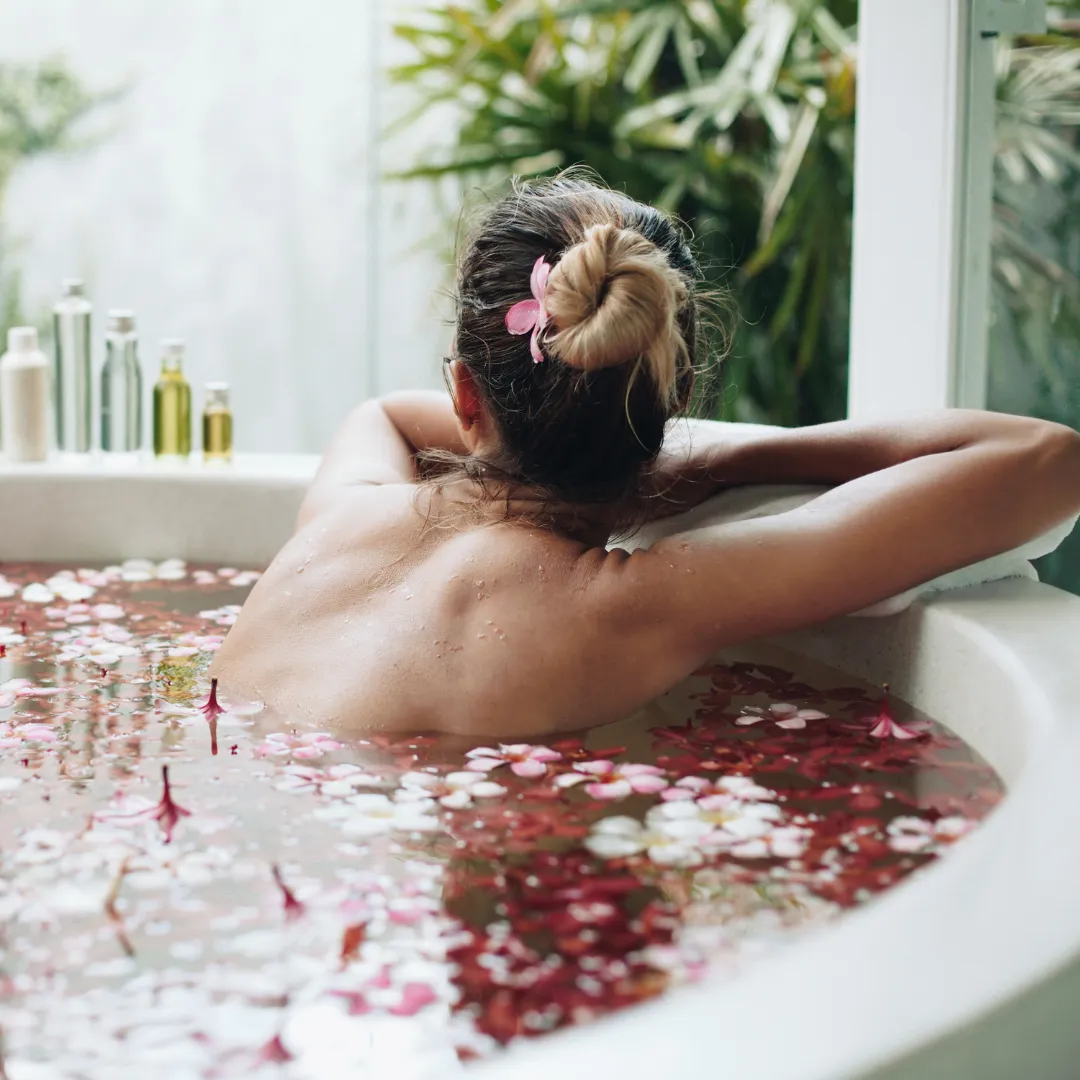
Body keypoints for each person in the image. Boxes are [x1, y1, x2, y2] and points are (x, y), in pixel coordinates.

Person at [211, 175, 1080, 734]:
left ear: (466, 396)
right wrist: (695, 465)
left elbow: (390, 414)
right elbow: (1047, 460)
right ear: (671, 405)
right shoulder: (630, 604)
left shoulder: (345, 512)